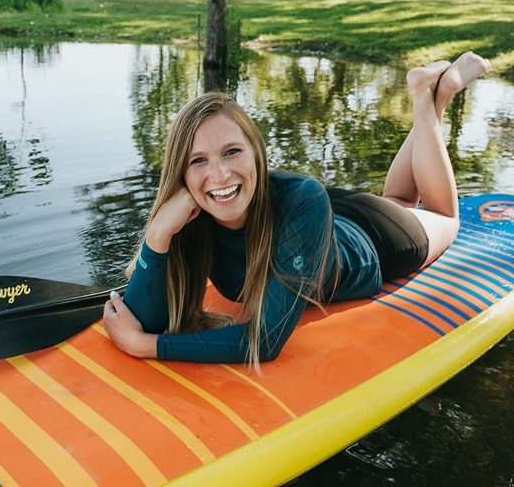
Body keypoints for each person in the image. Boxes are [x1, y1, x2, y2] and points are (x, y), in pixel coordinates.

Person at [103, 51, 490, 370]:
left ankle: (432, 97)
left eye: (232, 151)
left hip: (372, 240)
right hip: (317, 221)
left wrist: (147, 346)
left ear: (257, 152)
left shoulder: (301, 198)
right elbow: (146, 317)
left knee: (441, 215)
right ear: (180, 174)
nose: (218, 174)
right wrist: (157, 237)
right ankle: (429, 93)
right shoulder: (190, 217)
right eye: (198, 160)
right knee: (400, 197)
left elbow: (265, 340)